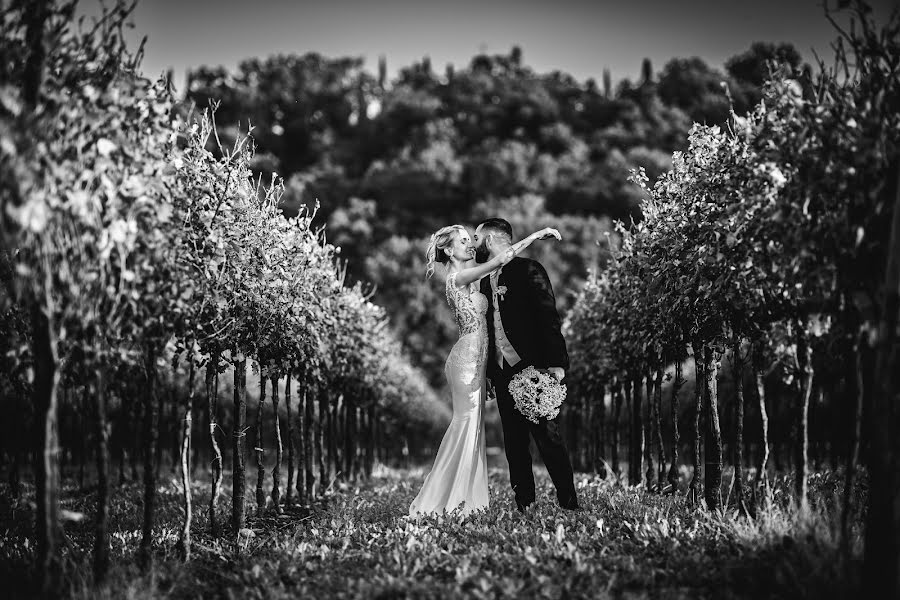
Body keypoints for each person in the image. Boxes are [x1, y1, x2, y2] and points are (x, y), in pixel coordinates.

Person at [408, 223, 561, 517]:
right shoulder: (459, 276)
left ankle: (467, 495)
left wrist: (489, 371)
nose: (469, 244)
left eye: (471, 239)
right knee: (465, 423)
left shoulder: (472, 276)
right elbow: (500, 259)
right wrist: (535, 235)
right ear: (449, 250)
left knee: (474, 426)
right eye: (463, 241)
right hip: (466, 359)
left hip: (480, 359)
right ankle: (445, 497)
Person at [473, 217, 579, 512]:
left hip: (535, 368)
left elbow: (548, 317)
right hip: (503, 371)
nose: (474, 243)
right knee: (514, 444)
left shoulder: (529, 270)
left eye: (477, 237)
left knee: (549, 438)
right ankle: (525, 504)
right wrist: (490, 374)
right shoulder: (483, 279)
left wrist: (557, 365)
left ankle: (569, 503)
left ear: (492, 239)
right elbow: (488, 332)